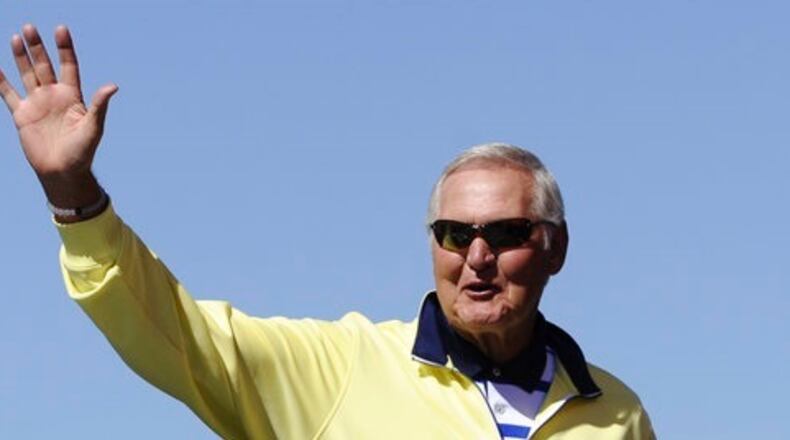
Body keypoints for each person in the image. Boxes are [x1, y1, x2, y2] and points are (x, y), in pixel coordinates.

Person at [0, 24, 655, 440]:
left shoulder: (617, 415)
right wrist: (74, 197)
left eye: (506, 233)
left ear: (554, 247)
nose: (476, 256)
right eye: (455, 235)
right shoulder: (344, 368)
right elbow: (176, 336)